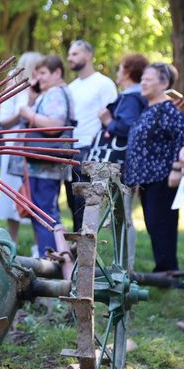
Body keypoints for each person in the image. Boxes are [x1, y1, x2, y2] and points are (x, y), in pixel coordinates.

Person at [124, 63, 184, 272]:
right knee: (153, 224)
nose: (143, 82)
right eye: (142, 78)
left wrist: (177, 169)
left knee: (161, 224)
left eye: (148, 79)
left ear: (164, 83)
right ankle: (163, 269)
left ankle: (168, 270)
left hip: (163, 176)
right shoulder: (149, 108)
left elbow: (181, 135)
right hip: (146, 178)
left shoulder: (170, 108)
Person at [94, 54, 149, 270]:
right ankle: (123, 265)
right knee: (120, 215)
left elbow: (128, 127)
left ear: (127, 71)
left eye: (119, 69)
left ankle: (127, 267)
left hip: (120, 163)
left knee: (124, 216)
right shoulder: (133, 97)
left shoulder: (132, 98)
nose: (117, 72)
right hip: (123, 163)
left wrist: (108, 121)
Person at [18, 55, 75, 257]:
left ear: (57, 73)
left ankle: (50, 259)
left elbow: (55, 125)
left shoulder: (56, 94)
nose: (39, 78)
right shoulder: (51, 92)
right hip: (43, 165)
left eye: (43, 73)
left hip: (45, 167)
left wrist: (28, 113)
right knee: (42, 212)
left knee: (45, 214)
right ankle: (50, 256)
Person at [66, 40, 118, 231]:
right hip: (70, 150)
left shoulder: (103, 84)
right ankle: (76, 253)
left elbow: (111, 117)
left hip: (91, 149)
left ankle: (88, 253)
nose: (70, 58)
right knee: (73, 203)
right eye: (70, 54)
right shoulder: (71, 87)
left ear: (88, 55)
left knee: (86, 204)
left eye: (75, 54)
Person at [0, 52, 41, 242]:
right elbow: (3, 121)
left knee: (36, 194)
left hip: (37, 145)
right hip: (14, 145)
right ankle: (12, 241)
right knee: (12, 193)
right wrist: (23, 112)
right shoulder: (14, 83)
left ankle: (40, 242)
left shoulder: (44, 87)